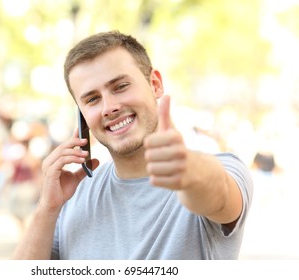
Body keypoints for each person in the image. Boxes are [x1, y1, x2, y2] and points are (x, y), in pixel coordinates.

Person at [13, 31, 253, 260]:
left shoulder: (221, 169)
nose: (109, 107)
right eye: (92, 99)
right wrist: (47, 208)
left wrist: (187, 171)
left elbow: (219, 192)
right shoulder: (73, 194)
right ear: (82, 115)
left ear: (155, 84)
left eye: (120, 87)